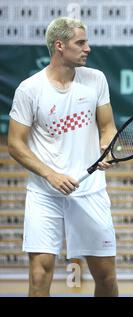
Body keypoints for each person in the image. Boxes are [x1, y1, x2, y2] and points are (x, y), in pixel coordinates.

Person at [8, 17, 118, 297]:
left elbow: (107, 126)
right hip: (45, 194)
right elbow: (15, 144)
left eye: (87, 42)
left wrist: (107, 147)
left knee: (105, 277)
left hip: (90, 192)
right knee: (39, 272)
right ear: (59, 46)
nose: (88, 48)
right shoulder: (29, 89)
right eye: (80, 42)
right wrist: (51, 175)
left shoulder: (96, 80)